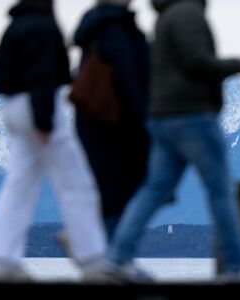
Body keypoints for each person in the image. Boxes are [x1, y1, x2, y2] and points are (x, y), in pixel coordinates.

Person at [105, 0, 240, 281]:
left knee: (154, 188)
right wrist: (235, 64)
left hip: (162, 116)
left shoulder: (166, 15)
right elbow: (195, 61)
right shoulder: (187, 13)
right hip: (192, 115)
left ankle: (117, 257)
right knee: (220, 189)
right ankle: (238, 265)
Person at [0, 0, 109, 282]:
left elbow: (1, 77)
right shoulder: (45, 27)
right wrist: (43, 120)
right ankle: (92, 261)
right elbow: (43, 77)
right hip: (39, 108)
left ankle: (2, 261)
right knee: (75, 182)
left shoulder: (13, 26)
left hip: (13, 107)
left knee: (19, 184)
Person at [73, 0, 151, 239]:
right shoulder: (116, 29)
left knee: (105, 194)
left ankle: (105, 255)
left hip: (91, 121)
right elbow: (128, 78)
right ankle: (113, 260)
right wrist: (143, 118)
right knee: (118, 195)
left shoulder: (94, 28)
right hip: (119, 124)